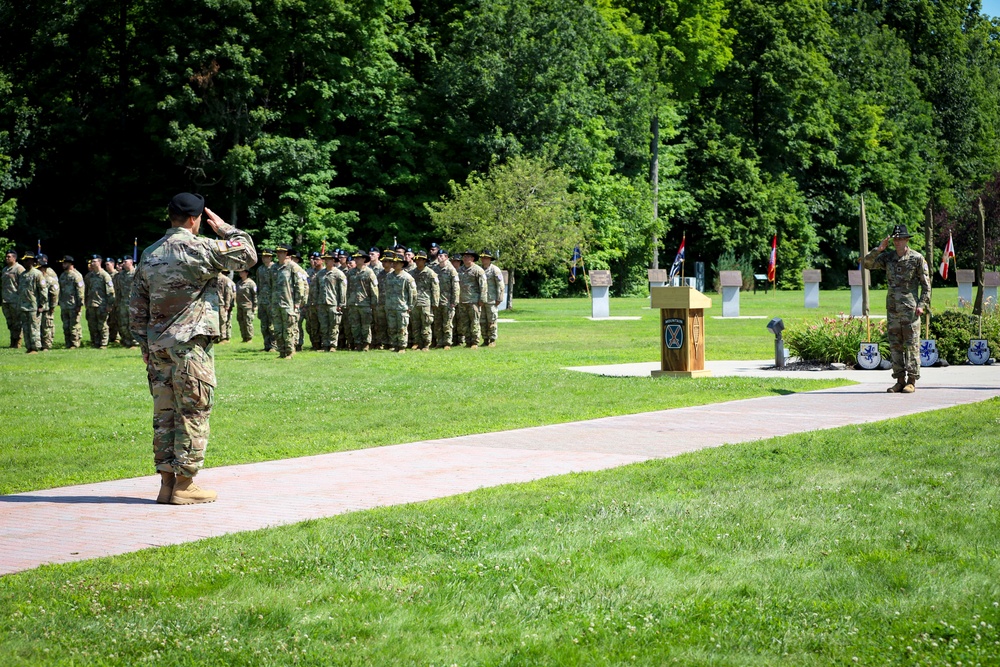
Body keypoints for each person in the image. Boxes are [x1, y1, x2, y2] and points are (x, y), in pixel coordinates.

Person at [130, 192, 256, 505]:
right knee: (194, 409)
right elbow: (248, 254)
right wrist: (225, 227)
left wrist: (144, 343)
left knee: (165, 414)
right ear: (194, 219)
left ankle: (166, 484)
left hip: (158, 347)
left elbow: (137, 305)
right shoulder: (200, 248)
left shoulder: (150, 253)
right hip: (190, 347)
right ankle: (185, 485)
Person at [863, 224, 931, 393]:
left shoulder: (916, 258)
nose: (898, 242)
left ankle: (911, 381)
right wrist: (878, 249)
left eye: (901, 239)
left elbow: (926, 285)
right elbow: (866, 264)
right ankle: (899, 380)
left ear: (907, 240)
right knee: (895, 346)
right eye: (895, 239)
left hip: (910, 310)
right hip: (893, 309)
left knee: (912, 345)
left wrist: (922, 305)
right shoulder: (888, 258)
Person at [271, 246, 306, 359]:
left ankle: (290, 351)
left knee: (289, 328)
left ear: (287, 254)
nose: (278, 254)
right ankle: (281, 351)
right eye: (278, 252)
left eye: (281, 252)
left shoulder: (293, 267)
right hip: (276, 303)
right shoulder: (274, 268)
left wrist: (298, 302)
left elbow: (299, 285)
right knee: (277, 329)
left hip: (288, 303)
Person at [346, 250, 378, 350]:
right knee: (355, 325)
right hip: (353, 302)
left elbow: (374, 289)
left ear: (364, 259)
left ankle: (366, 344)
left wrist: (374, 302)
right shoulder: (350, 272)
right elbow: (347, 288)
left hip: (365, 303)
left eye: (359, 258)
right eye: (355, 258)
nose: (356, 259)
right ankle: (357, 343)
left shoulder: (369, 272)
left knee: (366, 325)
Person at [384, 252, 416, 352]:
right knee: (392, 327)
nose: (395, 264)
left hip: (402, 307)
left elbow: (413, 294)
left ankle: (402, 346)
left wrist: (410, 306)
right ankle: (394, 345)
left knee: (402, 328)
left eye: (397, 262)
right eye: (394, 262)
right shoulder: (389, 276)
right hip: (391, 306)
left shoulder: (407, 277)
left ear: (402, 264)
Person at [16, 252, 46, 354]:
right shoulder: (22, 275)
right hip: (24, 306)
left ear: (33, 261)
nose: (25, 262)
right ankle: (28, 346)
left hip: (34, 305)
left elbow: (43, 290)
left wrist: (42, 304)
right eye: (24, 260)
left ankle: (35, 347)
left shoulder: (37, 274)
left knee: (34, 327)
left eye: (28, 260)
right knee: (26, 328)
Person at [317, 251, 347, 351]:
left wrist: (341, 303)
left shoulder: (338, 273)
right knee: (324, 325)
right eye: (325, 259)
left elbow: (342, 289)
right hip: (322, 302)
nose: (326, 261)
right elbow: (316, 288)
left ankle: (333, 345)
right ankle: (325, 345)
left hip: (333, 303)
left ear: (333, 261)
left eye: (328, 259)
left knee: (334, 325)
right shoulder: (320, 273)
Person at [457, 249, 487, 348]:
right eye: (464, 256)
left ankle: (474, 342)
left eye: (468, 256)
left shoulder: (478, 270)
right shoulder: (459, 270)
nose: (465, 258)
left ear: (473, 258)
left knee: (474, 322)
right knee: (464, 322)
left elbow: (483, 286)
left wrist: (482, 299)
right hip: (462, 300)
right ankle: (468, 341)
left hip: (474, 300)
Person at [411, 250, 440, 350]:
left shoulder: (430, 273)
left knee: (426, 324)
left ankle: (426, 344)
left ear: (424, 261)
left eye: (420, 260)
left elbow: (435, 289)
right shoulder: (412, 273)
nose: (418, 262)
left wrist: (435, 302)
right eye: (417, 260)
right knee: (415, 324)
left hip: (426, 302)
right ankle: (417, 342)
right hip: (414, 302)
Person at [84, 254, 115, 348]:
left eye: (94, 261)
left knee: (102, 325)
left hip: (102, 304)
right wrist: (85, 302)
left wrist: (110, 305)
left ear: (99, 262)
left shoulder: (104, 276)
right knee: (92, 325)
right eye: (91, 262)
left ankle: (103, 343)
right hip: (91, 304)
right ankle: (95, 342)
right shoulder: (89, 276)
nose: (92, 263)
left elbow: (110, 292)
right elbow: (86, 290)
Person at [432, 249, 460, 349]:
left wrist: (454, 301)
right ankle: (439, 342)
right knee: (437, 323)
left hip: (448, 301)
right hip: (437, 301)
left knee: (447, 323)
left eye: (442, 256)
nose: (439, 257)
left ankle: (447, 342)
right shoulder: (435, 269)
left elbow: (456, 287)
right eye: (438, 256)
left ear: (446, 257)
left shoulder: (451, 270)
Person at [58, 255, 85, 348]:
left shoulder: (76, 275)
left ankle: (75, 343)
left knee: (74, 326)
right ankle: (68, 343)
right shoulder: (62, 275)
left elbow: (80, 291)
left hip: (73, 305)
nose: (63, 265)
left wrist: (79, 304)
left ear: (70, 263)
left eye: (65, 263)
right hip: (64, 305)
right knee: (66, 326)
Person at [479, 250, 505, 347]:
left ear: (490, 259)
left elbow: (500, 284)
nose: (483, 260)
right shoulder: (479, 269)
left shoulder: (495, 270)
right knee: (482, 321)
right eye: (482, 258)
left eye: (485, 258)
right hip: (481, 299)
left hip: (491, 299)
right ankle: (485, 339)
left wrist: (499, 298)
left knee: (492, 320)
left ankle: (492, 339)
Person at [3, 249, 25, 348]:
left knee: (17, 322)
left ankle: (18, 342)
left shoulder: (19, 269)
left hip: (15, 300)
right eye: (6, 257)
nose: (7, 258)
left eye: (9, 257)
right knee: (10, 322)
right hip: (6, 300)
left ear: (14, 258)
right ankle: (12, 341)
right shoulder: (5, 270)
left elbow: (23, 284)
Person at [37, 254, 60, 350]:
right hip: (37, 306)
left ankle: (46, 345)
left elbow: (54, 293)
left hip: (47, 307)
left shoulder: (50, 279)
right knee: (38, 327)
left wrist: (52, 306)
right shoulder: (36, 278)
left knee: (47, 326)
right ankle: (38, 344)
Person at [114, 256, 137, 348]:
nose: (123, 263)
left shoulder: (137, 274)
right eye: (123, 262)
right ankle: (126, 341)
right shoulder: (120, 275)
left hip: (134, 304)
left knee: (134, 324)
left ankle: (134, 342)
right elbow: (117, 290)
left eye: (125, 261)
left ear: (131, 262)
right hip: (123, 303)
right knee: (123, 323)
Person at [256, 249, 275, 351]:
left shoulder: (274, 268)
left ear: (270, 257)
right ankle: (266, 345)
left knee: (272, 325)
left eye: (266, 256)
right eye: (263, 257)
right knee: (264, 325)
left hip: (272, 300)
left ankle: (274, 345)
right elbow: (259, 285)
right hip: (262, 300)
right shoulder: (260, 269)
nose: (264, 258)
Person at [235, 268, 257, 342]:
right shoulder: (238, 283)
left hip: (248, 305)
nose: (240, 273)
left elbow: (255, 294)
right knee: (241, 321)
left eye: (242, 272)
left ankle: (249, 337)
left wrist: (255, 305)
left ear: (246, 273)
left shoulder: (251, 283)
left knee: (248, 321)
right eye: (239, 272)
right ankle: (244, 337)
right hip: (240, 305)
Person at [217, 271, 236, 343]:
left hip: (222, 303)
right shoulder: (213, 278)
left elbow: (228, 293)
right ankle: (216, 337)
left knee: (223, 321)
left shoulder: (225, 279)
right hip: (214, 303)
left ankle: (223, 338)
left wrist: (227, 304)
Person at [104, 257, 119, 344]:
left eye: (108, 264)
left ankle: (116, 337)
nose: (106, 266)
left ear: (113, 265)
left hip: (116, 301)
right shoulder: (105, 275)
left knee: (115, 320)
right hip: (108, 301)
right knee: (109, 320)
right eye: (105, 265)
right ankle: (110, 337)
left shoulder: (117, 275)